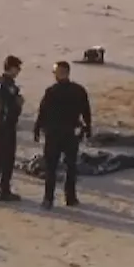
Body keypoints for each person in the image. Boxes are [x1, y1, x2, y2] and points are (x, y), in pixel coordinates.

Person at [33, 61, 91, 208]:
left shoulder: (52, 91)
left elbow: (43, 112)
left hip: (54, 134)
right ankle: (70, 198)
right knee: (71, 166)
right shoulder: (79, 90)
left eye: (55, 72)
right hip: (71, 133)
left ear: (63, 73)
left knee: (52, 167)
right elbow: (86, 112)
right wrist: (88, 129)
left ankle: (48, 199)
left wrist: (37, 129)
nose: (54, 75)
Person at [0, 55, 25, 201]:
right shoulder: (10, 86)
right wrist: (19, 103)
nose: (19, 71)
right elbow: (12, 107)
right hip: (7, 124)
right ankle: (4, 190)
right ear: (12, 68)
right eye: (18, 68)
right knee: (7, 158)